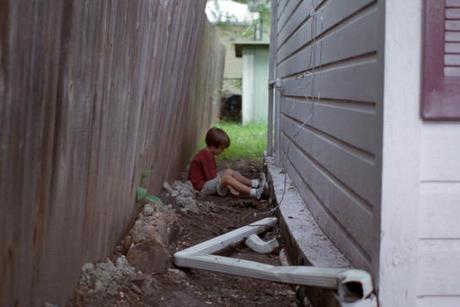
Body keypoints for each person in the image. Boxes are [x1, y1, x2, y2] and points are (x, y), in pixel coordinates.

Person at [188, 127, 266, 199]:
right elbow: (211, 178)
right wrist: (229, 186)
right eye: (221, 148)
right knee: (227, 178)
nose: (222, 151)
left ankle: (255, 183)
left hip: (206, 183)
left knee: (228, 171)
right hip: (201, 188)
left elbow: (212, 176)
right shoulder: (206, 156)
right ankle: (255, 193)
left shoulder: (207, 153)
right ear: (212, 145)